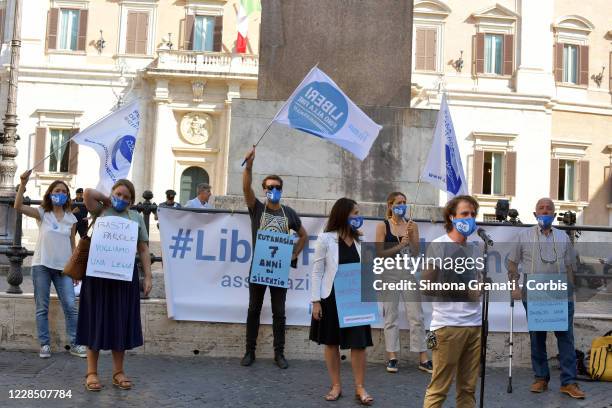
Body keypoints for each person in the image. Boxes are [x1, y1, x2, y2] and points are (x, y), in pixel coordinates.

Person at [76, 179, 153, 392]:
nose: (121, 199)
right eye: (118, 194)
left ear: (132, 201)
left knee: (120, 322)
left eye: (126, 197)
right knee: (95, 320)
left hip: (124, 278)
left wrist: (148, 276)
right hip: (98, 276)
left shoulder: (136, 217)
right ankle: (91, 372)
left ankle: (118, 372)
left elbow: (144, 249)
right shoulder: (102, 210)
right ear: (112, 194)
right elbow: (88, 194)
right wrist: (107, 199)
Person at [507, 198, 585, 399]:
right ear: (535, 214)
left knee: (565, 338)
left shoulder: (563, 237)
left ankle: (568, 382)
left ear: (554, 213)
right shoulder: (523, 236)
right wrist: (514, 287)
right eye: (541, 208)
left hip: (560, 292)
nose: (545, 211)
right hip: (534, 293)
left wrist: (570, 292)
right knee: (537, 337)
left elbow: (569, 267)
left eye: (548, 208)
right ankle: (541, 378)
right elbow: (512, 264)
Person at [241, 147, 308, 369]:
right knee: (254, 309)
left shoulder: (289, 213)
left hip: (279, 270)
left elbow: (304, 236)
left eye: (277, 187)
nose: (274, 190)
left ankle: (279, 353)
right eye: (270, 187)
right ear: (264, 189)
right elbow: (245, 187)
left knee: (279, 312)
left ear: (281, 190)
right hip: (258, 268)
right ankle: (249, 351)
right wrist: (249, 166)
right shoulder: (257, 209)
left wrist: (294, 254)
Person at [14, 170, 86, 359]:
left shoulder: (72, 218)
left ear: (67, 195)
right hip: (42, 266)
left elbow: (73, 244)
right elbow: (18, 206)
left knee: (70, 306)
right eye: (56, 190)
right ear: (50, 194)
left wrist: (76, 270)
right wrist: (23, 183)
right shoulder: (42, 213)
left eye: (63, 191)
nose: (60, 194)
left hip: (64, 269)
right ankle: (45, 344)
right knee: (42, 307)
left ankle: (76, 343)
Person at [310, 197, 374, 405]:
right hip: (331, 299)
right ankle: (336, 385)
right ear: (343, 214)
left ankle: (360, 387)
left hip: (356, 299)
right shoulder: (326, 239)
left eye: (358, 213)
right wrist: (315, 301)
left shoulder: (361, 240)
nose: (358, 217)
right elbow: (317, 271)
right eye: (355, 213)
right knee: (331, 343)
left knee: (359, 344)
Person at [422, 195, 483, 408]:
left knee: (468, 389)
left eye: (473, 214)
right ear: (452, 216)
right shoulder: (438, 246)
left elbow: (477, 284)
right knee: (439, 388)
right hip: (447, 327)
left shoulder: (476, 249)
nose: (470, 218)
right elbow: (427, 287)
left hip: (474, 326)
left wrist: (481, 287)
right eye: (464, 214)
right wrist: (465, 292)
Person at [376, 192, 432, 373]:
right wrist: (400, 245)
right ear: (390, 205)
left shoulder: (411, 225)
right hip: (388, 271)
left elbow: (416, 252)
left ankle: (423, 357)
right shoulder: (383, 225)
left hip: (409, 271)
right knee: (390, 315)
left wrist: (412, 236)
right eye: (399, 202)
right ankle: (392, 356)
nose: (402, 205)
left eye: (404, 202)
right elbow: (379, 252)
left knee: (416, 315)